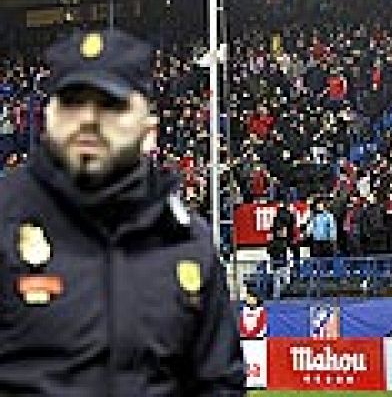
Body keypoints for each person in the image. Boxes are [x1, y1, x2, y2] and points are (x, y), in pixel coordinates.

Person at [0, 29, 245, 395]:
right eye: (72, 101)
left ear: (149, 128)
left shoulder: (186, 241)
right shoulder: (5, 219)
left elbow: (219, 384)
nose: (88, 118)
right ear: (47, 116)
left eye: (111, 104)